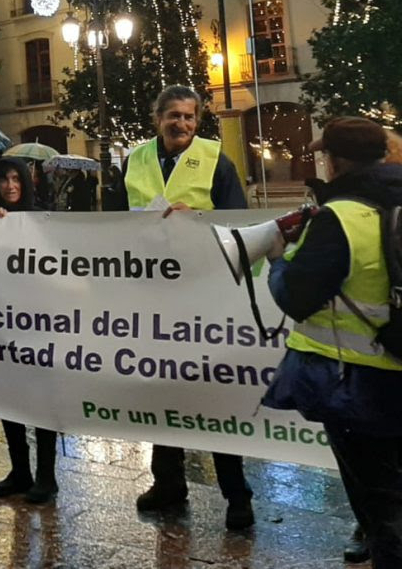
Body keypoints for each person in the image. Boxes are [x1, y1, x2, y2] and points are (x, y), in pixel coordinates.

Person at [263, 116, 402, 569]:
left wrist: (277, 260)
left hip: (357, 387)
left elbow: (296, 296)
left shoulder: (341, 217)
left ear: (337, 161)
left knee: (383, 512)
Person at [127, 85, 254, 531]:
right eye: (173, 115)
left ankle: (237, 493)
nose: (181, 124)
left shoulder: (217, 160)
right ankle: (169, 483)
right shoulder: (136, 158)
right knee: (162, 390)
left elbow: (239, 224)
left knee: (213, 394)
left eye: (189, 117)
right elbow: (113, 220)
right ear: (156, 116)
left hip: (204, 294)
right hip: (154, 294)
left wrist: (197, 220)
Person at [0, 158, 59, 503]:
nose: (10, 186)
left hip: (41, 322)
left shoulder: (44, 218)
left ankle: (46, 476)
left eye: (16, 179)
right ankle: (20, 471)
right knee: (9, 400)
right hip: (3, 323)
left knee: (43, 401)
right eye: (4, 180)